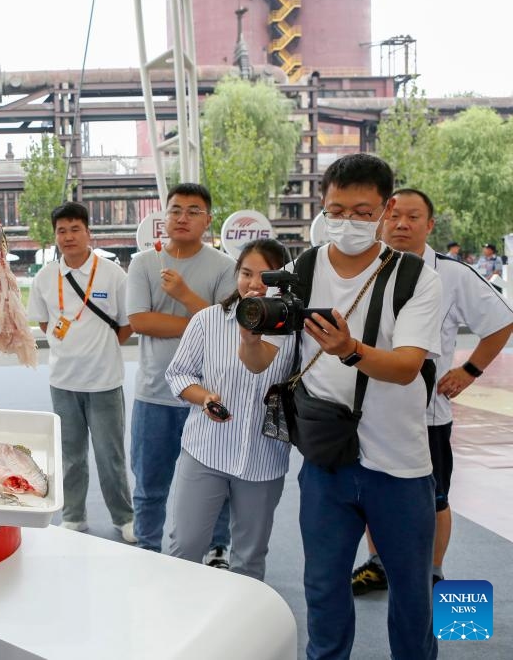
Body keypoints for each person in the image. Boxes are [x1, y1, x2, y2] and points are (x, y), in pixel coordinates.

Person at [239, 153, 442, 660]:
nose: (346, 222)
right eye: (336, 210)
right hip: (327, 459)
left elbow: (406, 367)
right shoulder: (300, 269)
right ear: (322, 206)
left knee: (412, 596)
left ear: (385, 209)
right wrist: (250, 335)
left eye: (361, 211)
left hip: (400, 463)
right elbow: (262, 360)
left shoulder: (418, 276)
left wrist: (348, 349)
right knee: (324, 590)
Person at [350, 188, 513, 594]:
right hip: (368, 409)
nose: (402, 224)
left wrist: (470, 370)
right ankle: (378, 564)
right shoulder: (366, 269)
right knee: (372, 493)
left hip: (427, 414)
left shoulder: (451, 274)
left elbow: (501, 322)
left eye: (413, 217)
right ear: (381, 220)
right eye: (394, 216)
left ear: (430, 224)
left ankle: (433, 571)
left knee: (434, 498)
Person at [165, 239, 295, 580]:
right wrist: (204, 397)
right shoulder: (208, 320)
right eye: (246, 273)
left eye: (266, 277)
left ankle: (241, 629)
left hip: (264, 459)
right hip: (206, 450)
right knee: (186, 546)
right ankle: (178, 622)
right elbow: (178, 373)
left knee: (250, 557)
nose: (254, 284)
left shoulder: (293, 329)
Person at [126, 183, 235, 559]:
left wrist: (186, 296)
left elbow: (229, 326)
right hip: (154, 392)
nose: (182, 217)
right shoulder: (143, 263)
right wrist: (200, 319)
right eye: (175, 210)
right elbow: (140, 321)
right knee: (149, 482)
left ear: (207, 219)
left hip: (207, 394)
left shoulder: (224, 267)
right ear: (164, 216)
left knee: (214, 481)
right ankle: (147, 547)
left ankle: (217, 547)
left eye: (193, 211)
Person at [27, 201, 136, 542]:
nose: (69, 236)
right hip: (63, 382)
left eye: (76, 229)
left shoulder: (113, 274)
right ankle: (74, 515)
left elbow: (126, 325)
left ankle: (124, 517)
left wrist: (99, 349)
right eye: (62, 231)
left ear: (89, 233)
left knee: (110, 456)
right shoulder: (45, 277)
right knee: (70, 456)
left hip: (104, 382)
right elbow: (45, 323)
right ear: (55, 236)